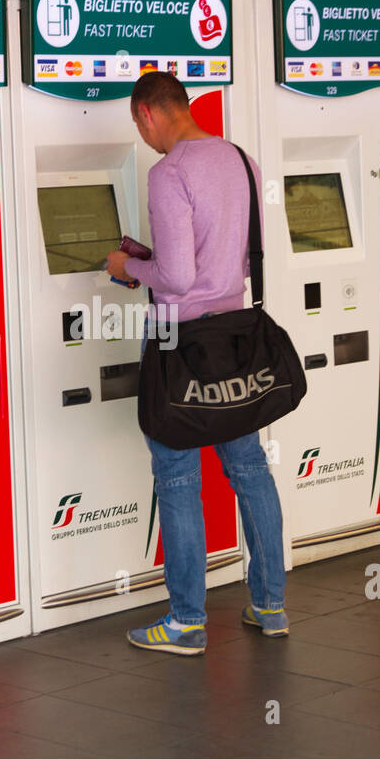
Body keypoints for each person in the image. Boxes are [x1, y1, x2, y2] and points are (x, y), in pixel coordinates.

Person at [106, 71, 288, 656]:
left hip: (178, 344)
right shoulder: (240, 160)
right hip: (234, 340)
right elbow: (220, 258)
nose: (145, 138)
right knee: (250, 469)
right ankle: (269, 604)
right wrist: (154, 255)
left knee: (178, 476)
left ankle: (186, 622)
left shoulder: (170, 173)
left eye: (141, 127)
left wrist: (126, 268)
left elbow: (181, 279)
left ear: (147, 114)